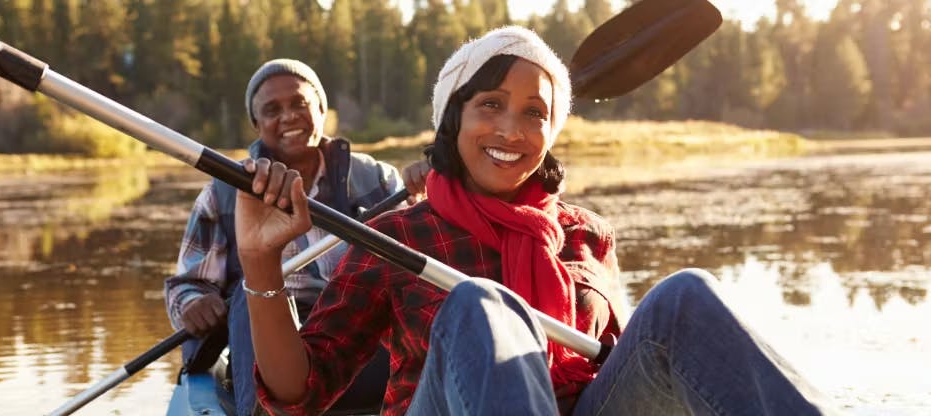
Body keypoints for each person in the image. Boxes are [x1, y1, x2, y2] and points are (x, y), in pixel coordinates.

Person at [235, 27, 838, 416]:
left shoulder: (586, 232)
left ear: (552, 133)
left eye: (534, 113)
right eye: (489, 105)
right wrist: (261, 263)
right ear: (452, 120)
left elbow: (615, 364)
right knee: (481, 303)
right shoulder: (400, 237)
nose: (511, 130)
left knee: (685, 296)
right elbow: (298, 394)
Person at [164, 58, 413, 416]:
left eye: (299, 104)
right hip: (266, 344)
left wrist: (427, 191)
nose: (288, 116)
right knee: (246, 299)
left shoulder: (380, 181)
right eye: (272, 109)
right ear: (257, 125)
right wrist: (192, 303)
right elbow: (189, 284)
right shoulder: (221, 194)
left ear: (322, 110)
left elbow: (420, 263)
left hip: (361, 340)